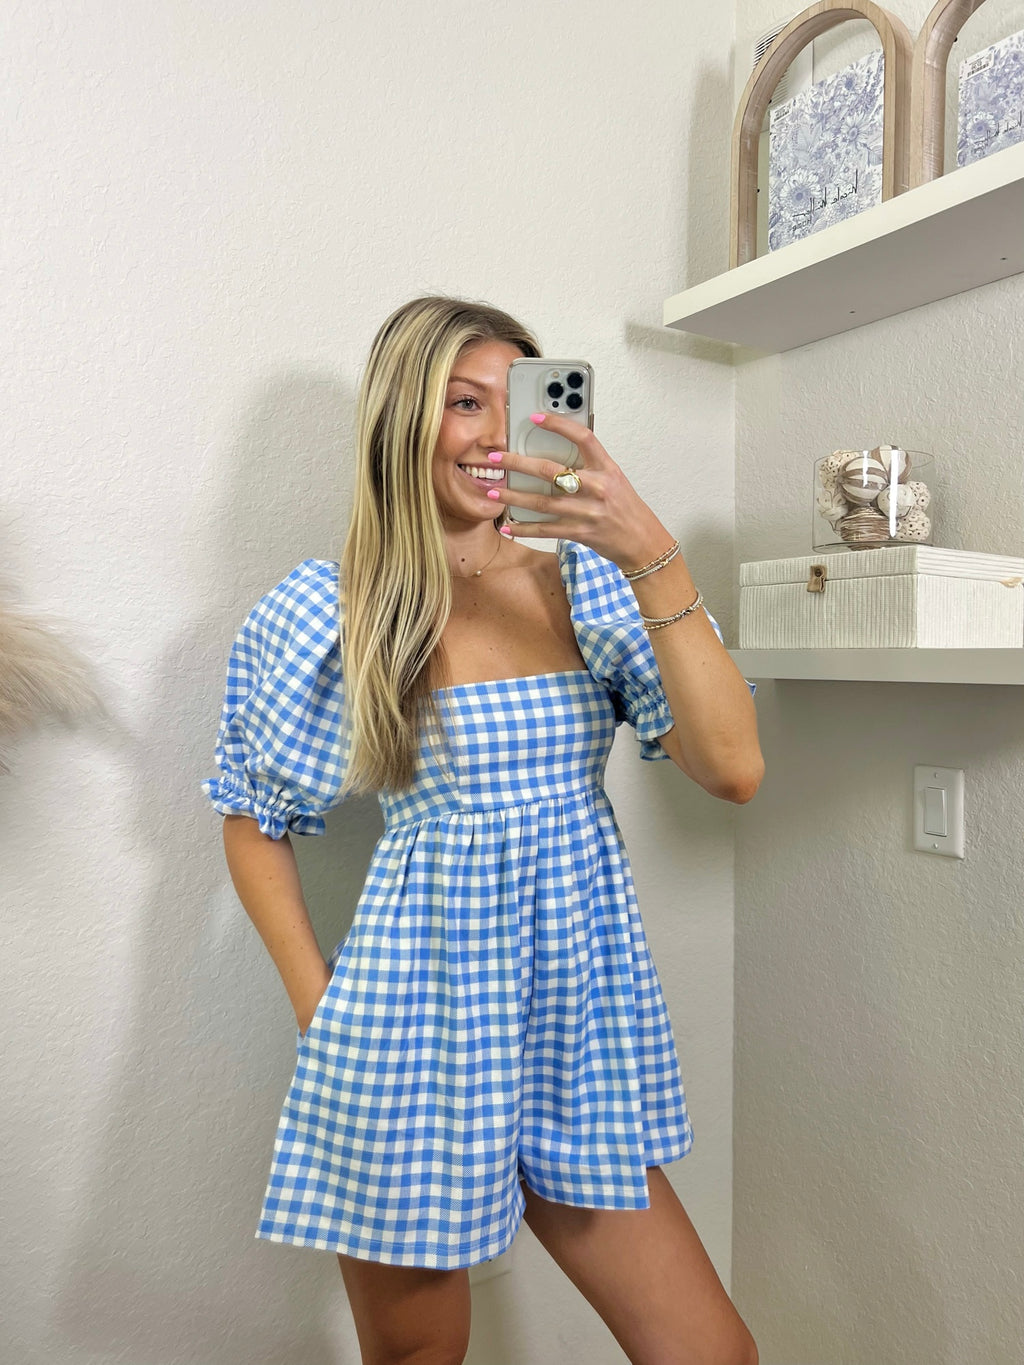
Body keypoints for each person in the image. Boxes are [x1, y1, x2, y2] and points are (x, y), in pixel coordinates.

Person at [202, 296, 763, 1365]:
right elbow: (252, 815)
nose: (495, 431)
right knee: (419, 1360)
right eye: (464, 401)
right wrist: (320, 1006)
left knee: (709, 1353)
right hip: (405, 1031)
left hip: (574, 1027)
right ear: (402, 417)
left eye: (514, 400)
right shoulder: (336, 609)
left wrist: (649, 548)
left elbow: (733, 769)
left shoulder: (593, 582)